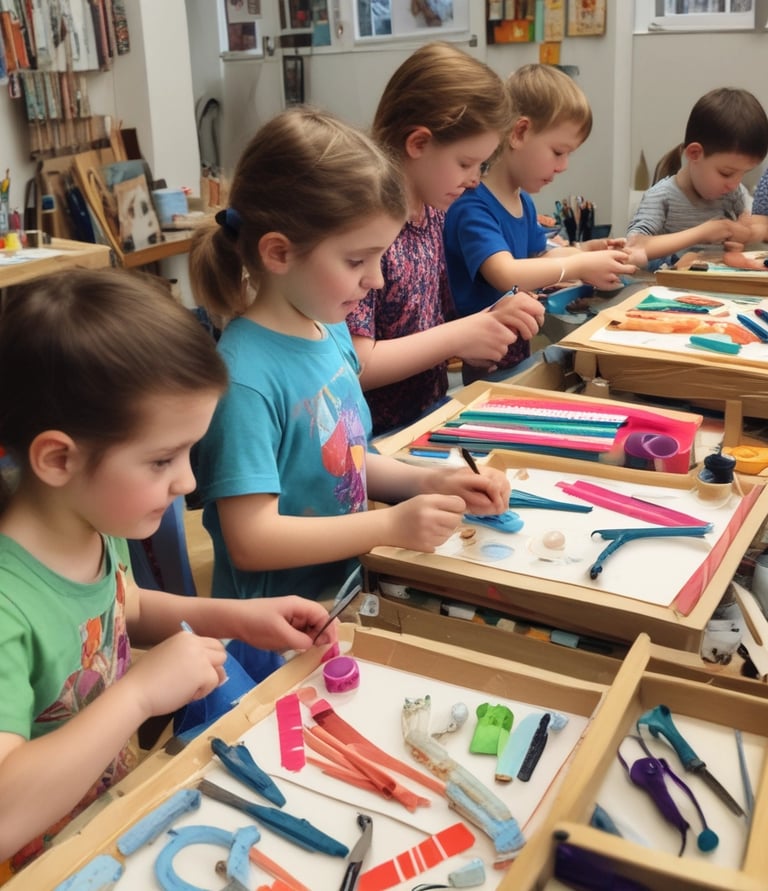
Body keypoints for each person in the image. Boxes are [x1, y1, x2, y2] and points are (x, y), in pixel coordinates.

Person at [0, 268, 339, 878]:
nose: (187, 483)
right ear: (57, 459)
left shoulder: (91, 521)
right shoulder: (6, 600)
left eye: (188, 453)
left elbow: (120, 610)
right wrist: (140, 694)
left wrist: (237, 618)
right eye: (161, 460)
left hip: (111, 824)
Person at [190, 106, 510, 603]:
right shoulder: (244, 380)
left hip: (343, 595)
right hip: (278, 628)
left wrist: (428, 482)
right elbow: (252, 541)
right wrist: (389, 523)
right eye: (357, 260)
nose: (377, 279)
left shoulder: (331, 329)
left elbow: (347, 461)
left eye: (380, 256)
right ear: (278, 253)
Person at [346, 41, 539, 435]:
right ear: (418, 143)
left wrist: (489, 332)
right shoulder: (362, 226)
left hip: (427, 421)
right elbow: (355, 364)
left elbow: (441, 325)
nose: (474, 180)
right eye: (466, 163)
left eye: (482, 164)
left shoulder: (434, 214)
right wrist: (461, 336)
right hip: (372, 443)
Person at [443, 63, 636, 384]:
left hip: (515, 351)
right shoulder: (472, 204)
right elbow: (506, 272)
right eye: (558, 152)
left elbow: (539, 257)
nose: (563, 166)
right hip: (483, 363)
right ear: (519, 133)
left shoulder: (523, 201)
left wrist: (585, 255)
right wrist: (580, 264)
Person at [626, 87, 768, 267]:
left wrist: (745, 233)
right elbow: (632, 248)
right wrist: (702, 233)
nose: (734, 184)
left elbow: (758, 225)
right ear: (694, 154)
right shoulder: (661, 197)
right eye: (726, 173)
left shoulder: (734, 193)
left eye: (743, 174)